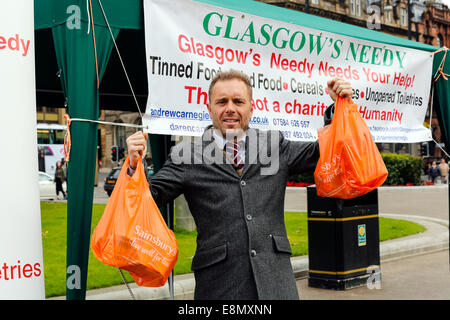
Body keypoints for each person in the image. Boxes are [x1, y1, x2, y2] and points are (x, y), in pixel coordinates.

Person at [126, 70, 353, 300]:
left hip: (276, 284)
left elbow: (324, 151)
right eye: (222, 101)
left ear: (251, 108)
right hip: (220, 287)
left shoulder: (274, 145)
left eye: (238, 101)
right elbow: (148, 197)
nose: (230, 108)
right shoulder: (187, 156)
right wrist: (134, 168)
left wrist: (338, 110)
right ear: (209, 108)